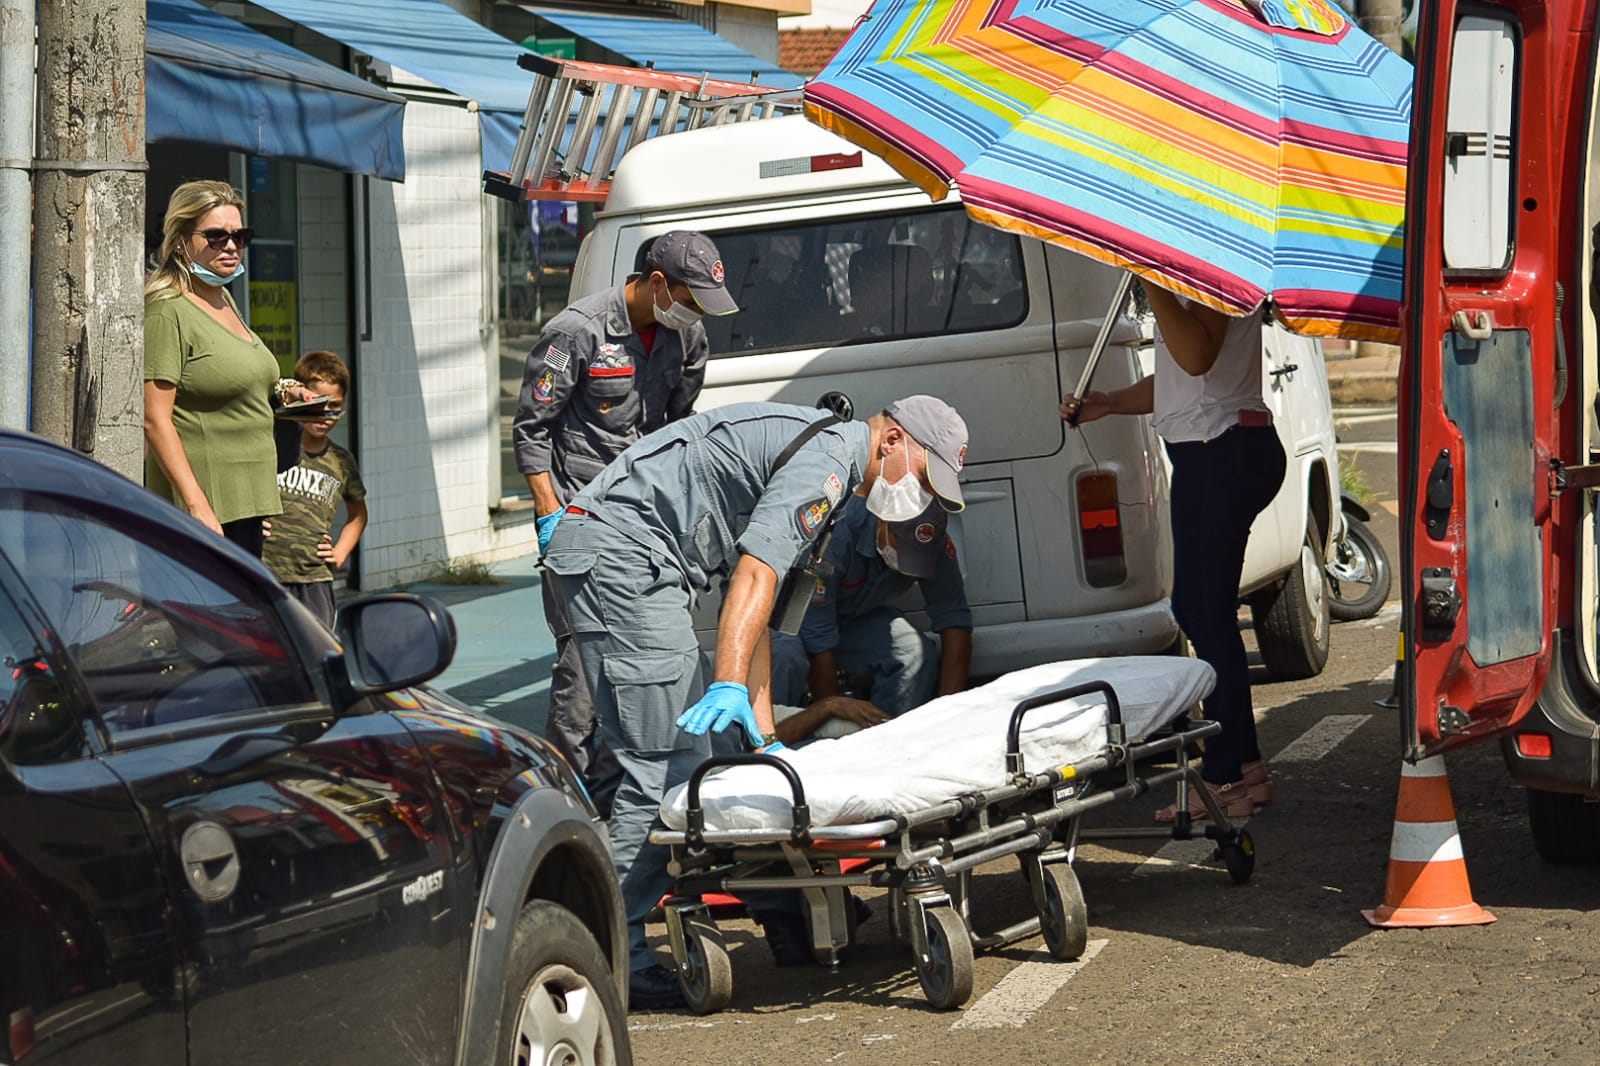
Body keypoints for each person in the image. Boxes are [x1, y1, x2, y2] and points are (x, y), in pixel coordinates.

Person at [542, 396, 969, 1009]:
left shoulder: (839, 475)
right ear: (894, 440)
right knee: (666, 766)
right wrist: (726, 683)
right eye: (926, 480)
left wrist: (764, 736)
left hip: (632, 561)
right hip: (624, 559)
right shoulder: (827, 461)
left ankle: (771, 914)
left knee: (726, 760)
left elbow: (763, 610)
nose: (922, 498)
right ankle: (603, 953)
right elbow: (753, 575)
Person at [514, 231, 733, 817]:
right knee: (582, 674)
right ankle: (565, 809)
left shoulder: (686, 335)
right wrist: (550, 514)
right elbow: (532, 432)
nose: (696, 312)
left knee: (643, 667)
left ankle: (619, 809)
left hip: (647, 527)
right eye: (691, 296)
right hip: (580, 521)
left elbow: (679, 428)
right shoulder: (576, 331)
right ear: (658, 283)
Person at [1060, 279, 1285, 823]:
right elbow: (1185, 376)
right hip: (1217, 450)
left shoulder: (1209, 283)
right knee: (1204, 612)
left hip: (1220, 452)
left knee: (1203, 613)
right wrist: (1111, 403)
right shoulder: (1192, 287)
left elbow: (1199, 356)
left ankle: (1226, 774)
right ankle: (1245, 766)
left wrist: (1150, 281)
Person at [144, 180, 313, 557]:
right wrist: (196, 507)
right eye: (217, 236)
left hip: (248, 504)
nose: (232, 246)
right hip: (208, 511)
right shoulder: (167, 311)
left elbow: (235, 375)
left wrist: (287, 391)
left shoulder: (222, 299)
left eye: (241, 235)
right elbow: (155, 420)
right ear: (182, 238)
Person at [771, 495, 972, 717]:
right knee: (785, 655)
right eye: (905, 551)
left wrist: (950, 710)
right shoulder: (836, 536)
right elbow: (819, 641)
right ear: (882, 522)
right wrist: (832, 716)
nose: (909, 563)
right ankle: (770, 741)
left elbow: (954, 619)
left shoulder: (933, 541)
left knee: (913, 652)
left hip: (849, 616)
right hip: (790, 615)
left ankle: (891, 739)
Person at [262, 351, 368, 629]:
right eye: (317, 404)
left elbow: (358, 515)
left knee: (317, 652)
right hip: (264, 570)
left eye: (334, 405)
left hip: (313, 579)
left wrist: (340, 552)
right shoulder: (272, 447)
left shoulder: (342, 461)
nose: (324, 415)